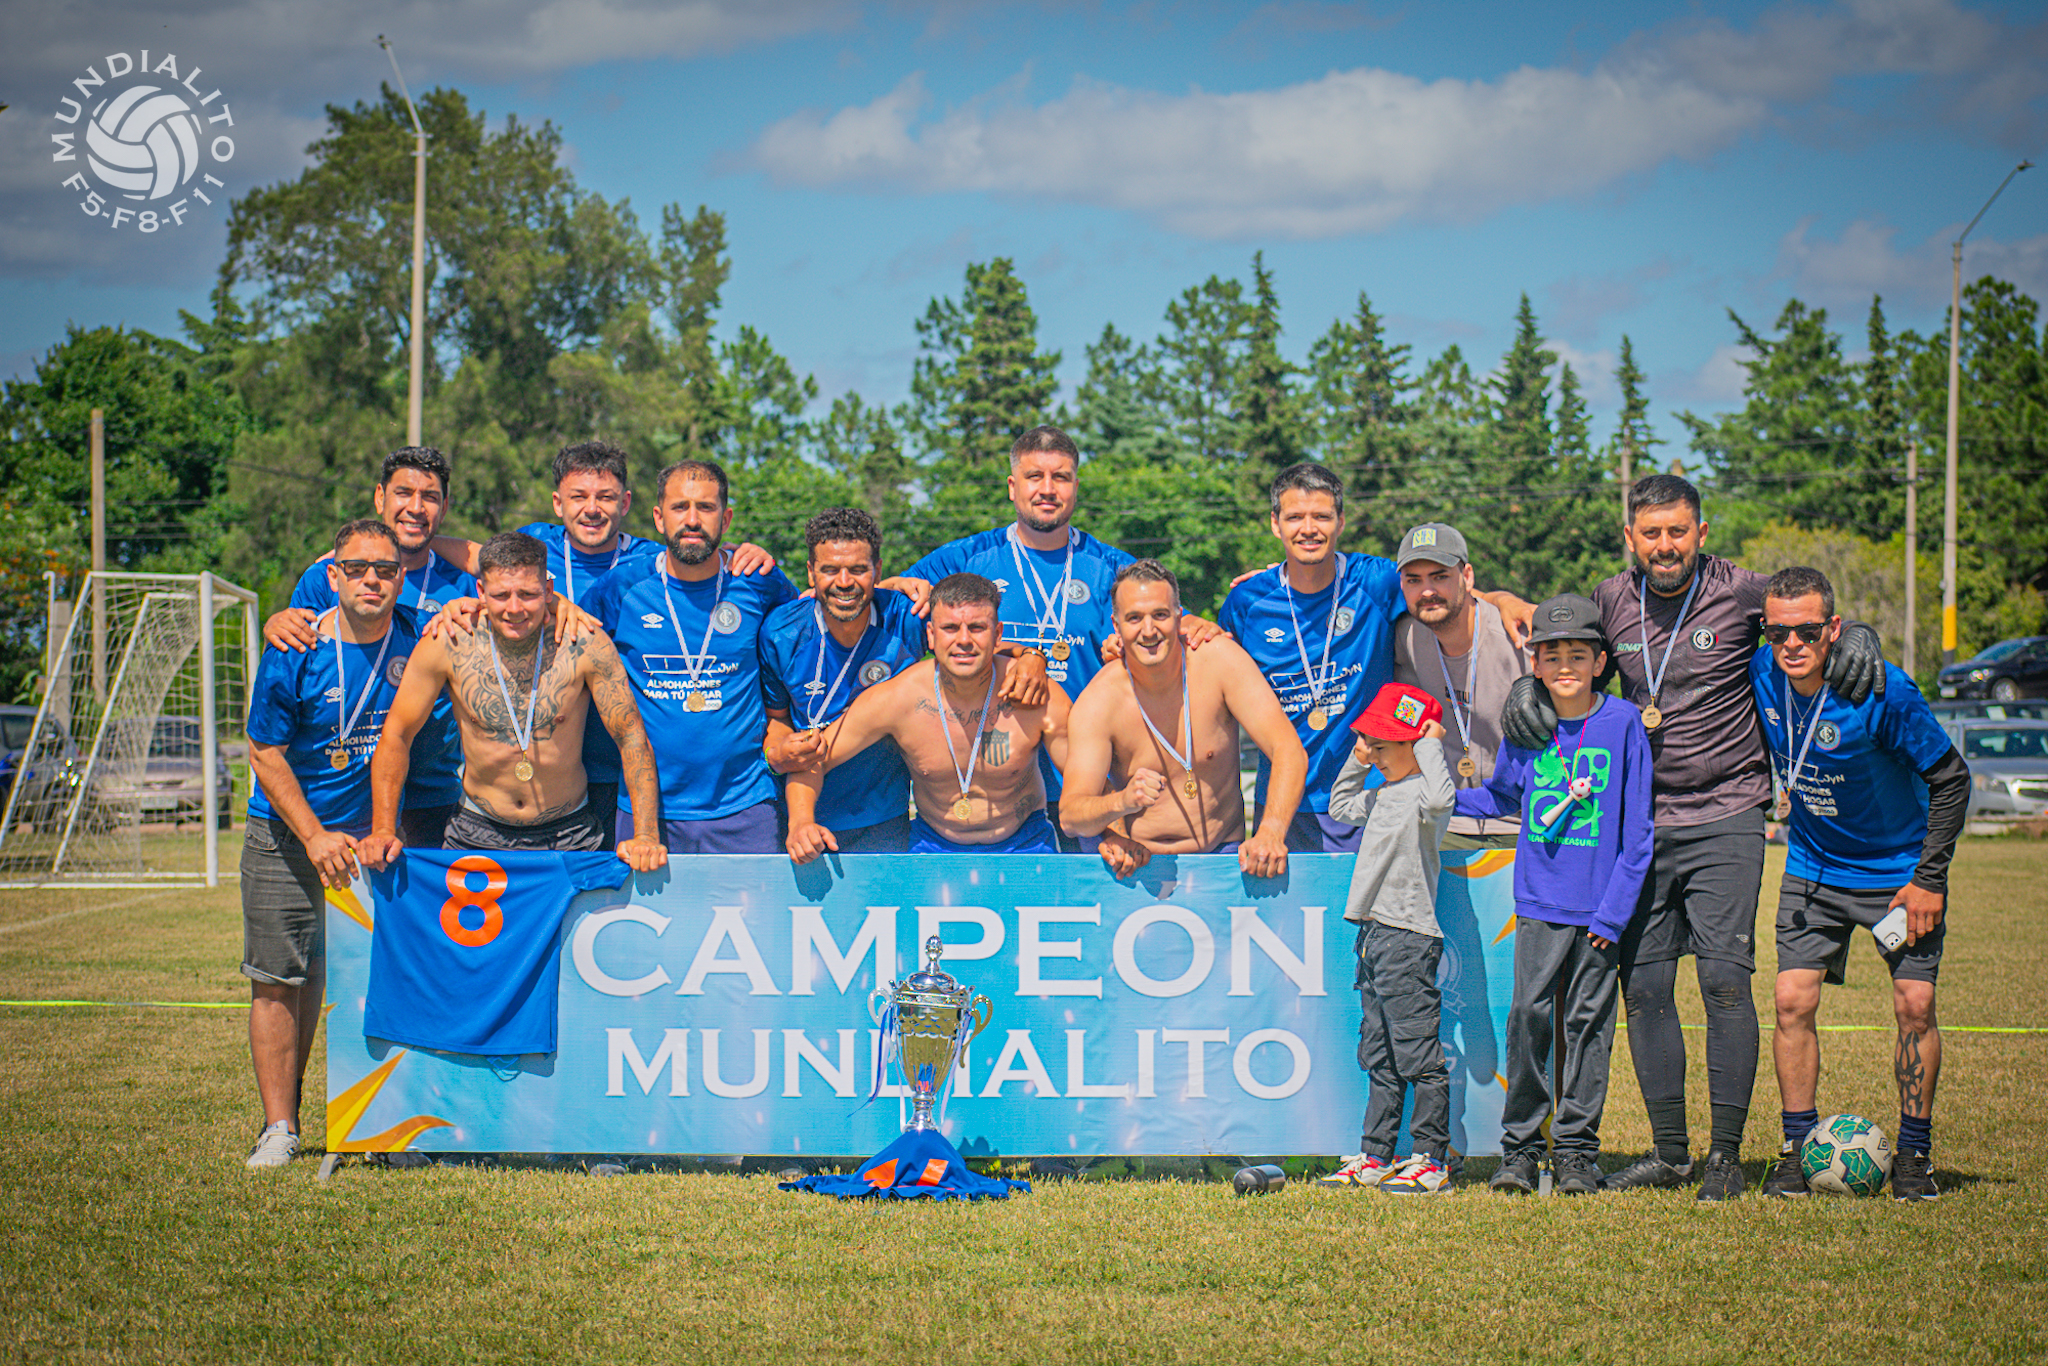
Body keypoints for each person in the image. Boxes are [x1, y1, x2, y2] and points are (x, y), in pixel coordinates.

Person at [1503, 473, 1885, 1200]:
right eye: (1651, 533)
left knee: (1723, 982)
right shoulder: (1610, 598)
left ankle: (1726, 1157)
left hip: (1727, 814)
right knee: (1645, 988)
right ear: (1630, 538)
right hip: (1642, 824)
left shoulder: (1741, 592)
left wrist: (1859, 630)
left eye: (1678, 531)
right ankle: (1670, 1154)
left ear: (1700, 532)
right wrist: (1528, 687)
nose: (1665, 545)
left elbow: (1804, 612)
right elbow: (1550, 637)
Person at [1749, 567, 1968, 1202]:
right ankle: (1796, 1149)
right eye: (1778, 632)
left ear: (1834, 628)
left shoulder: (1884, 691)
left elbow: (1952, 780)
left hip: (1898, 877)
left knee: (1915, 1006)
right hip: (1812, 869)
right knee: (1791, 1000)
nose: (1792, 644)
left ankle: (1915, 1155)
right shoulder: (1762, 671)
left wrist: (1929, 880)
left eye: (1809, 631)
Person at [891, 425, 1219, 845]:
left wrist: (1199, 625)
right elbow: (873, 600)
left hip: (1092, 786)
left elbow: (1173, 627)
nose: (1047, 489)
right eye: (1034, 477)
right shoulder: (965, 558)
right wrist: (894, 586)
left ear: (1075, 488)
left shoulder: (1110, 566)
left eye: (1060, 477)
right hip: (1002, 787)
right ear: (1013, 487)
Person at [238, 519, 424, 1168]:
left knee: (381, 981)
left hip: (373, 847)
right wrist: (314, 835)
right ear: (334, 576)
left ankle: (380, 1129)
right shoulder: (296, 645)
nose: (372, 580)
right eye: (358, 569)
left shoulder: (419, 637)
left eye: (386, 570)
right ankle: (279, 1128)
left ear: (402, 577)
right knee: (278, 980)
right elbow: (264, 751)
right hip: (286, 836)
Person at [1220, 470, 1532, 854]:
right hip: (1284, 802)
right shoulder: (1246, 602)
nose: (1309, 528)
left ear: (1341, 522)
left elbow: (1440, 591)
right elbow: (1216, 668)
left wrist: (1506, 601)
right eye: (1295, 517)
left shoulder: (1375, 581)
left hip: (1371, 792)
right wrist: (1187, 622)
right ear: (1275, 523)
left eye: (1321, 516)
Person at [1461, 595, 1653, 1197]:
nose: (1565, 665)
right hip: (1539, 906)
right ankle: (1520, 1149)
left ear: (1600, 662)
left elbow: (1638, 835)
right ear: (1536, 664)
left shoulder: (1623, 724)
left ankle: (1575, 1152)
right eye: (1552, 655)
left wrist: (1613, 915)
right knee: (1528, 1018)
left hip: (1599, 913)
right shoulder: (1528, 726)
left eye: (1577, 654)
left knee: (1588, 1026)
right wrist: (1432, 793)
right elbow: (1503, 797)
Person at [356, 532, 666, 871]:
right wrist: (383, 829)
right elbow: (397, 734)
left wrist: (646, 835)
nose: (514, 608)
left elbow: (631, 737)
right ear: (480, 592)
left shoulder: (584, 643)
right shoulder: (450, 641)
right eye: (501, 595)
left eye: (528, 594)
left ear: (549, 590)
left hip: (570, 833)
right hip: (476, 830)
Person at [581, 458, 800, 853]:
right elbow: (567, 637)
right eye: (680, 507)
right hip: (646, 810)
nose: (693, 520)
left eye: (706, 507)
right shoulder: (620, 587)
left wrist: (896, 589)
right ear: (659, 518)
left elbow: (814, 622)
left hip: (744, 807)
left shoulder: (759, 582)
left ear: (726, 519)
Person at [262, 447, 473, 848]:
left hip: (431, 793)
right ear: (380, 497)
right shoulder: (326, 578)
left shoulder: (465, 582)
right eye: (403, 493)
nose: (416, 508)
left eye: (430, 497)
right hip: (347, 797)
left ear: (444, 507)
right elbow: (296, 658)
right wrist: (276, 623)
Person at [786, 573, 1070, 856]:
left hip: (1026, 842)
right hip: (932, 845)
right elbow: (811, 759)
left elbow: (1083, 773)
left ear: (997, 635)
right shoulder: (898, 698)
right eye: (950, 628)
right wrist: (801, 822)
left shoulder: (1034, 694)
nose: (964, 640)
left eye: (977, 628)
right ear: (931, 635)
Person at [1059, 560, 1304, 878]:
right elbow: (1070, 816)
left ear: (1178, 616)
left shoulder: (1220, 661)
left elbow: (1288, 749)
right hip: (1139, 866)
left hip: (1223, 856)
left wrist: (1271, 831)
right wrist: (1122, 801)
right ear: (1116, 626)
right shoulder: (1099, 701)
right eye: (1134, 618)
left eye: (1160, 615)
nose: (1149, 630)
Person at [1316, 682, 1456, 1195]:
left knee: (1418, 1054)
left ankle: (1431, 1159)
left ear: (1414, 743)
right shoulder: (1379, 795)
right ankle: (1376, 1154)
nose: (1373, 754)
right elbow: (1338, 806)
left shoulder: (1424, 794)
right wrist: (1357, 759)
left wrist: (1429, 743)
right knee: (1378, 1052)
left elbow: (1442, 797)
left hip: (1408, 937)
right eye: (1370, 744)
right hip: (1373, 935)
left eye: (1382, 745)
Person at [1390, 522, 1528, 850]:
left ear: (1467, 576)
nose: (1427, 591)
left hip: (1524, 824)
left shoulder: (1519, 640)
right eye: (1414, 580)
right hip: (1446, 823)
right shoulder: (1405, 638)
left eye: (1439, 577)